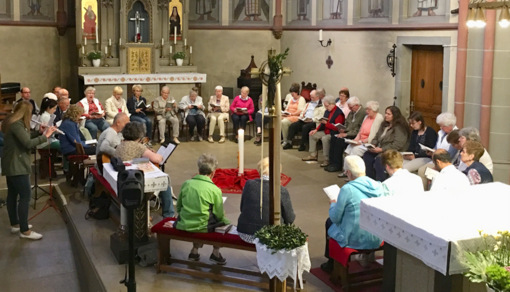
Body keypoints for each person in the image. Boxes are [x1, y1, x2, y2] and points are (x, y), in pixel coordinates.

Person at [2, 101, 57, 240]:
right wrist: (46, 135)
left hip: (12, 164)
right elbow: (27, 144)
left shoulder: (12, 121)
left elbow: (24, 137)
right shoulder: (17, 124)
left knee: (13, 195)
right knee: (25, 196)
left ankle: (16, 224)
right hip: (17, 165)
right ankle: (24, 230)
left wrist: (38, 132)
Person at [321, 155, 384, 273]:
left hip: (355, 237)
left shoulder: (347, 189)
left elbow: (335, 217)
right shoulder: (378, 186)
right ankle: (366, 258)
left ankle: (331, 263)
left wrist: (333, 204)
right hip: (376, 235)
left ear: (349, 172)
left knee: (329, 222)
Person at [175, 153, 229, 265]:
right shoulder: (214, 189)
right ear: (213, 173)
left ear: (198, 169)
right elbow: (218, 214)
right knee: (221, 223)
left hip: (184, 223)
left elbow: (179, 206)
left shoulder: (187, 184)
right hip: (203, 226)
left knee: (199, 215)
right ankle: (215, 252)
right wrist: (226, 221)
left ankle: (194, 251)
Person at [115, 122, 174, 219]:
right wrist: (158, 155)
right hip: (135, 180)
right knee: (165, 180)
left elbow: (131, 160)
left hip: (125, 174)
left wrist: (146, 157)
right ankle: (169, 214)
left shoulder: (121, 144)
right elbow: (157, 159)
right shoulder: (138, 146)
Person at [237, 157, 296, 243]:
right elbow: (290, 218)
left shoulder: (249, 184)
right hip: (270, 235)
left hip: (246, 232)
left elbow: (242, 208)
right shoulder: (281, 190)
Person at [362, 105, 409, 181]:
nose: (386, 115)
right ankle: (369, 180)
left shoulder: (399, 127)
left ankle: (381, 181)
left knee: (380, 160)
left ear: (395, 115)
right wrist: (373, 144)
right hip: (381, 148)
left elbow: (398, 144)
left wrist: (381, 149)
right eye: (385, 113)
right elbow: (377, 136)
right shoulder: (384, 124)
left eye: (388, 114)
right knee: (367, 155)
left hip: (393, 151)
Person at [417, 112, 458, 189]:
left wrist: (436, 159)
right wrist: (431, 151)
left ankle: (426, 192)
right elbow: (436, 147)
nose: (440, 128)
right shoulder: (441, 133)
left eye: (442, 126)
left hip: (444, 163)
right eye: (440, 126)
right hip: (435, 159)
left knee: (422, 171)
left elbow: (449, 155)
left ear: (450, 126)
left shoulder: (455, 135)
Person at [302, 95, 345, 166]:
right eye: (325, 106)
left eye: (327, 106)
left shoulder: (339, 113)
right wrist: (316, 130)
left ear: (332, 104)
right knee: (312, 134)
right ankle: (313, 155)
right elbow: (323, 122)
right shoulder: (327, 111)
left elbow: (337, 128)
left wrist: (327, 124)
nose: (326, 108)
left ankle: (326, 159)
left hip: (333, 133)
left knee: (325, 139)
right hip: (326, 131)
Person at [326, 96, 365, 172]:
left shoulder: (362, 114)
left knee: (339, 142)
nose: (350, 109)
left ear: (356, 105)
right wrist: (343, 129)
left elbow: (358, 129)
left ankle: (337, 165)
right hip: (347, 132)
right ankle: (332, 162)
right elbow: (347, 122)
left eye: (351, 107)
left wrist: (346, 134)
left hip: (354, 136)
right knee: (334, 138)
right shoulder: (352, 112)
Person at [281, 83, 306, 149]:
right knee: (278, 119)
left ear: (297, 92)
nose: (292, 95)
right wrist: (284, 113)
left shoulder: (301, 99)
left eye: (293, 93)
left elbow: (300, 111)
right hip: (289, 115)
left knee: (284, 122)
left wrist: (291, 114)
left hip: (295, 116)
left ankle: (286, 140)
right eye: (291, 93)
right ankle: (281, 137)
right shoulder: (291, 99)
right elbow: (287, 108)